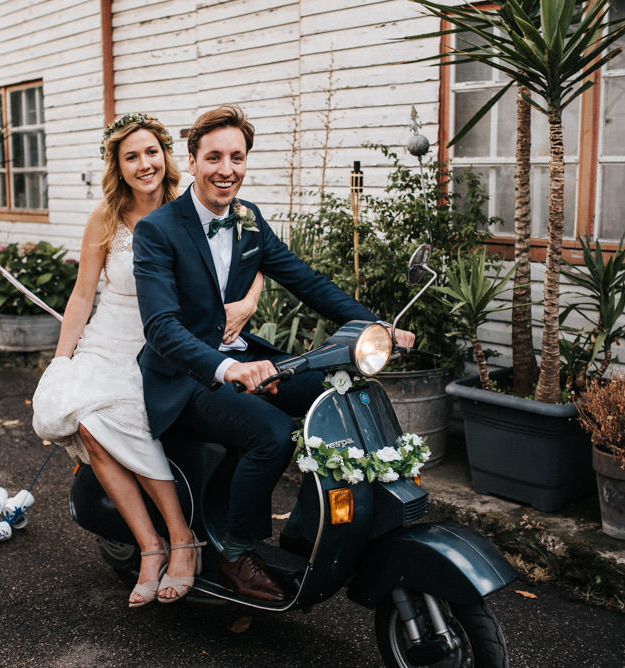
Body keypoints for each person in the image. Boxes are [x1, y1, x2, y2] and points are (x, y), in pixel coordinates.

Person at [133, 104, 415, 603]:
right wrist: (228, 367)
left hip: (244, 358)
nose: (227, 169)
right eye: (214, 157)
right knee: (270, 433)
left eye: (236, 157)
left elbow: (305, 280)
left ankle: (311, 529)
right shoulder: (159, 230)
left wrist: (375, 326)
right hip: (186, 375)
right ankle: (237, 553)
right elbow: (160, 328)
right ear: (193, 161)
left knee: (340, 394)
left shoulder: (248, 219)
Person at [32, 113, 264, 608]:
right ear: (118, 165)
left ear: (167, 155)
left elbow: (250, 255)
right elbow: (82, 294)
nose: (144, 164)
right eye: (131, 156)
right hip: (106, 338)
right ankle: (152, 545)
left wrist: (246, 303)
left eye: (151, 152)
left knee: (125, 421)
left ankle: (182, 538)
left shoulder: (190, 209)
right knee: (88, 424)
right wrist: (62, 358)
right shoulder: (106, 217)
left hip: (162, 343)